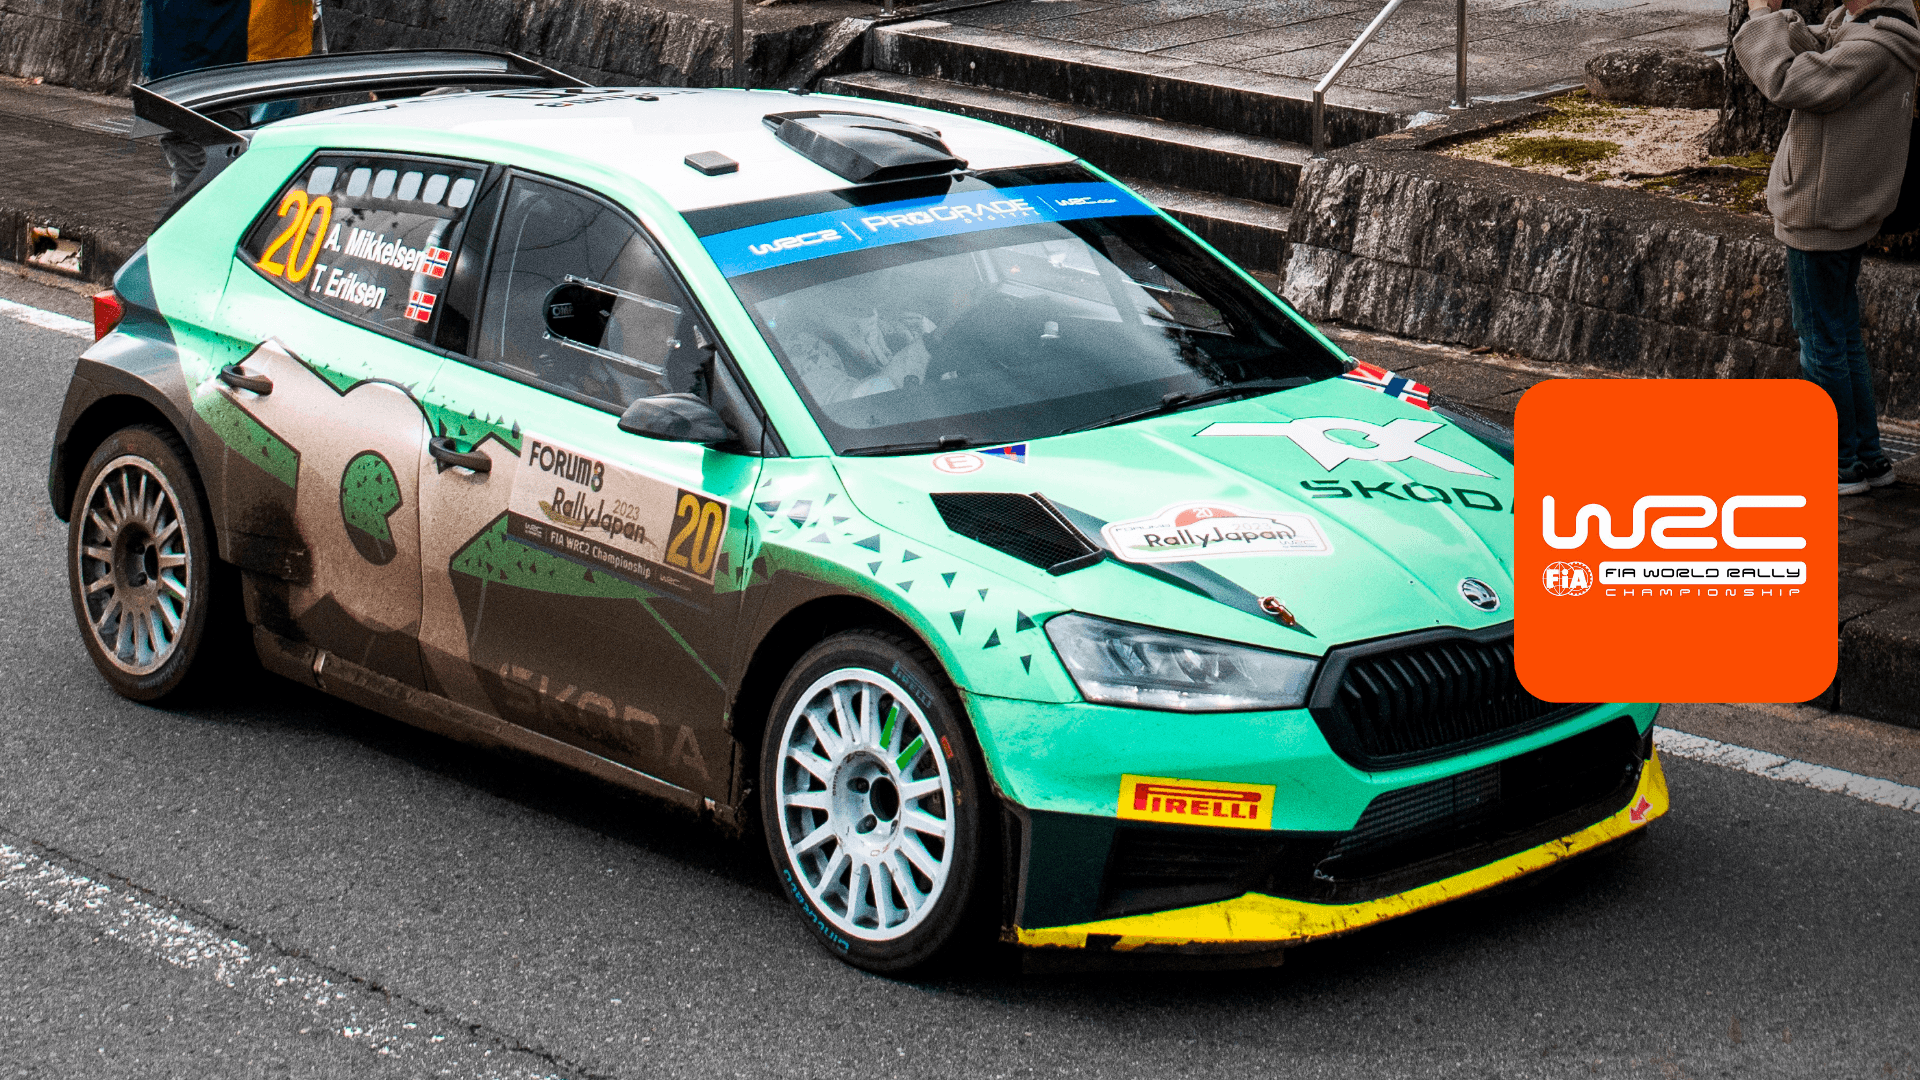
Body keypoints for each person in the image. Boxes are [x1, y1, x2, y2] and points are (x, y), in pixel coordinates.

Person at [1734, 0, 1920, 494]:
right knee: (1841, 337)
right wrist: (1784, 23)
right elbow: (1821, 49)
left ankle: (1839, 463)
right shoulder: (1886, 27)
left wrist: (1761, 17)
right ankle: (1869, 458)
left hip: (1821, 212)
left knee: (1820, 342)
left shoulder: (1870, 48)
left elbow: (1789, 81)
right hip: (1846, 209)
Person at [141, 0, 315, 192]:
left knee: (189, 146)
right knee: (231, 147)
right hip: (230, 57)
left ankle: (204, 202)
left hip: (179, 60)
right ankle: (226, 199)